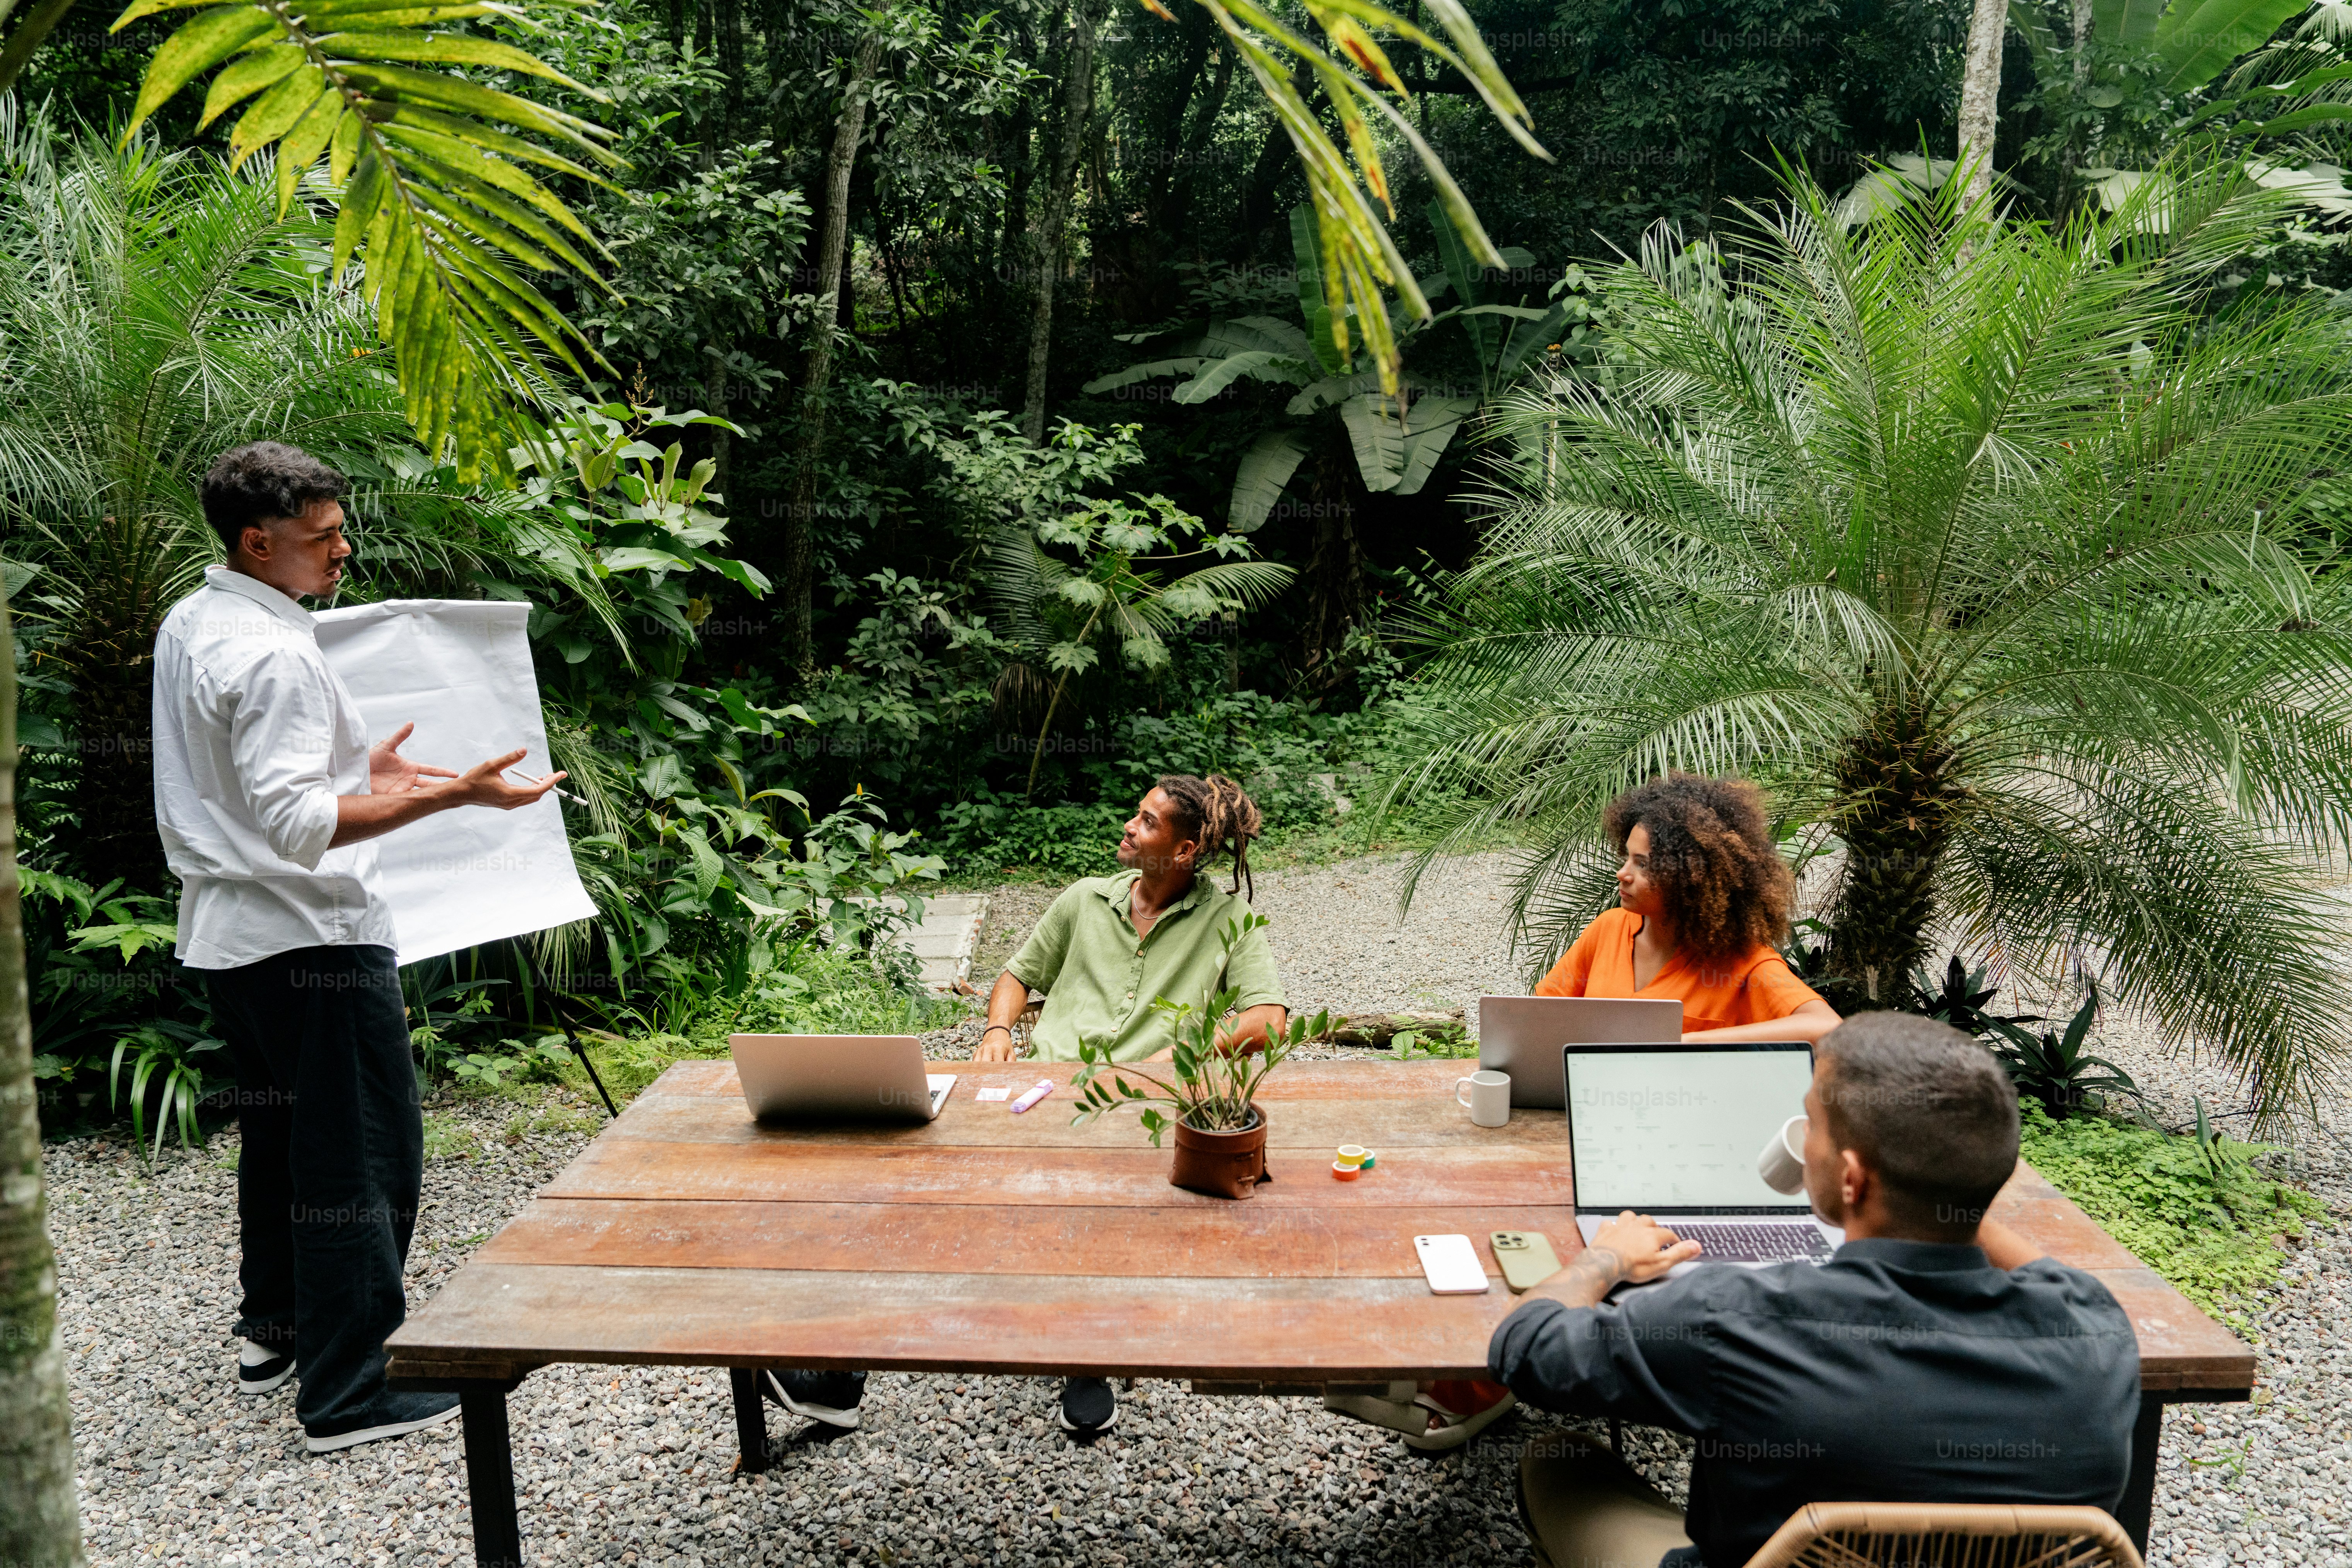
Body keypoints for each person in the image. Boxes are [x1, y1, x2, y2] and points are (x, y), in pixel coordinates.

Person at [154, 441, 566, 1453]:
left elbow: (245, 784)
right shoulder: (278, 650)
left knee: (282, 1141)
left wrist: (359, 765)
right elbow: (299, 825)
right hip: (312, 943)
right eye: (322, 536)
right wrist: (451, 791)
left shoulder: (198, 619)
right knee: (359, 1157)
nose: (345, 550)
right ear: (259, 542)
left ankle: (277, 1334)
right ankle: (351, 1389)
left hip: (230, 940)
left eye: (341, 528)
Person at [1489, 1012, 2142, 1568]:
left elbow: (1525, 1346)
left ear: (1852, 1178)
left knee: (1561, 1460)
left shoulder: (1739, 1318)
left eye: (1810, 1125)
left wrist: (1604, 1257)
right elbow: (2046, 1273)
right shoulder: (2094, 1329)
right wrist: (1951, 1186)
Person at [956, 773, 1287, 1437]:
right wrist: (996, 1031)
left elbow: (1270, 1021)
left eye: (1146, 821)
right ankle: (841, 1371)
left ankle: (1085, 1350)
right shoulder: (1082, 901)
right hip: (1039, 1089)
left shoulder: (1228, 922)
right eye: (1134, 814)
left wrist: (1185, 1053)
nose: (1128, 827)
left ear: (1186, 851)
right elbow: (1018, 975)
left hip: (1137, 1104)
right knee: (915, 1170)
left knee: (1097, 1191)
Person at [1536, 773, 1840, 1044]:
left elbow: (1827, 1028)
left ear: (1690, 877)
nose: (1623, 873)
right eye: (1626, 858)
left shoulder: (1746, 962)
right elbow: (1536, 1018)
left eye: (1642, 865)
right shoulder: (1609, 928)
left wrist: (1684, 1044)